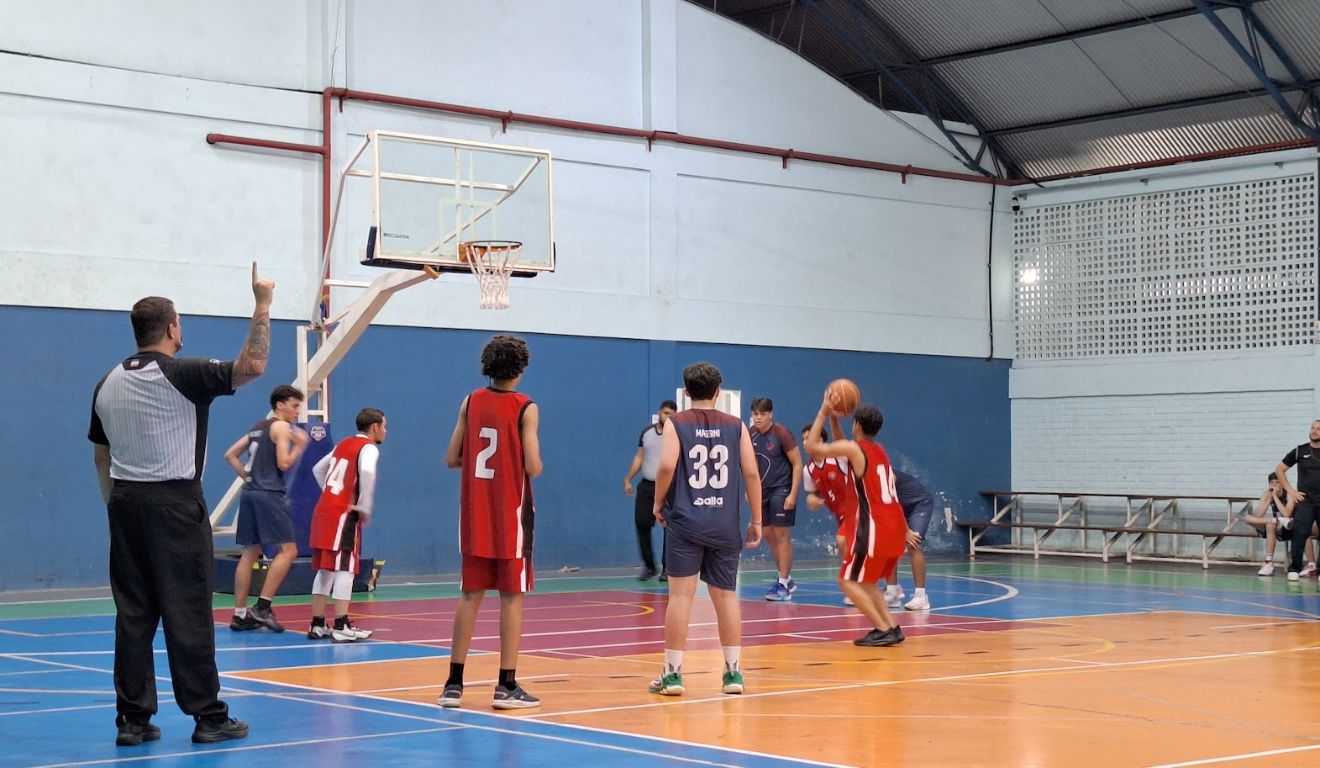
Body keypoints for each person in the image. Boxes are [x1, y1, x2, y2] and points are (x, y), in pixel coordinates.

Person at [89, 263, 270, 746]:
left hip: (125, 504)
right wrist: (262, 303)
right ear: (172, 329)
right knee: (187, 611)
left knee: (133, 615)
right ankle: (208, 716)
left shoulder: (106, 382)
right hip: (174, 503)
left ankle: (132, 719)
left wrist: (116, 507)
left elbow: (101, 455)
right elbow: (253, 367)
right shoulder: (184, 373)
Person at [439, 335, 543, 710]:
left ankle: (453, 684)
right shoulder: (525, 407)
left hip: (474, 516)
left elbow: (453, 457)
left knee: (469, 597)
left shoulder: (470, 401)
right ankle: (506, 685)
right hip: (510, 516)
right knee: (512, 599)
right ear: (520, 370)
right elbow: (533, 466)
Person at [650, 362, 762, 696]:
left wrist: (658, 503)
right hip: (725, 524)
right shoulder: (736, 425)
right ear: (718, 390)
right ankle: (733, 674)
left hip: (686, 522)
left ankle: (672, 675)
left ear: (686, 393)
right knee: (726, 597)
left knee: (680, 597)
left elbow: (668, 465)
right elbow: (752, 474)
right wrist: (757, 519)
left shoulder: (676, 423)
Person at [804, 397, 916, 647]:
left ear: (856, 425)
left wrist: (823, 410)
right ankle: (891, 628)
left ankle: (882, 628)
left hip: (875, 526)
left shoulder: (855, 450)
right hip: (893, 524)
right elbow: (843, 444)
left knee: (847, 580)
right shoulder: (877, 450)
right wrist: (834, 418)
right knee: (865, 581)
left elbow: (812, 446)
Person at [224, 385, 310, 633]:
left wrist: (249, 478)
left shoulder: (257, 428)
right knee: (288, 550)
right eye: (294, 406)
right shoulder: (281, 427)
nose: (297, 412)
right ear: (279, 405)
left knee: (250, 552)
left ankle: (240, 615)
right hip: (270, 493)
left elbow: (230, 455)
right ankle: (262, 607)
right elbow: (284, 463)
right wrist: (300, 446)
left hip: (250, 493)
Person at [307, 408, 387, 642]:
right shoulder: (368, 448)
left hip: (324, 509)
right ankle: (341, 625)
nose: (385, 431)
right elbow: (367, 472)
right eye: (384, 426)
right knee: (345, 566)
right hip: (343, 514)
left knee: (325, 568)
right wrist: (364, 505)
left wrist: (332, 493)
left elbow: (317, 469)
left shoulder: (343, 444)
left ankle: (317, 623)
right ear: (374, 427)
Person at [749, 397, 802, 601]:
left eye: (762, 414)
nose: (758, 417)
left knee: (781, 536)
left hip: (782, 489)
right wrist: (751, 489)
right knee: (769, 536)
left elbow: (797, 464)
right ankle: (786, 580)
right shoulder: (751, 433)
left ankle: (783, 585)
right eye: (755, 413)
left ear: (770, 414)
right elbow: (752, 466)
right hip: (763, 492)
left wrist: (793, 494)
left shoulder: (781, 433)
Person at [801, 422, 858, 607]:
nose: (804, 442)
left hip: (857, 508)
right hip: (840, 515)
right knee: (857, 548)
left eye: (808, 438)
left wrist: (833, 417)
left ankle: (855, 586)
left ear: (820, 440)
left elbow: (841, 440)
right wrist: (811, 499)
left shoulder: (837, 458)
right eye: (803, 439)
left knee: (842, 541)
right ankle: (887, 587)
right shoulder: (808, 470)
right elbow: (814, 493)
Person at [624, 400, 677, 580]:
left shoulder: (678, 435)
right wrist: (628, 478)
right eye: (665, 413)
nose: (667, 416)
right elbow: (640, 456)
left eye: (671, 414)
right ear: (659, 413)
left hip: (670, 486)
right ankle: (649, 566)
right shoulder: (646, 433)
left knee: (669, 527)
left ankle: (668, 568)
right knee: (642, 523)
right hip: (647, 485)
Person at [882, 470, 936, 611]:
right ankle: (892, 594)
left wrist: (906, 531)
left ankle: (921, 597)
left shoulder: (881, 472)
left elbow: (893, 503)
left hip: (919, 504)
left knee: (913, 543)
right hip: (899, 507)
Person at [1273, 421, 1320, 581]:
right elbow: (1279, 469)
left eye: (1319, 429)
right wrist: (1291, 491)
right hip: (1305, 501)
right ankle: (1295, 568)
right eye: (1313, 428)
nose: (1315, 431)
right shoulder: (1300, 450)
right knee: (1300, 534)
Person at [1244, 473, 1299, 577]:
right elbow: (1259, 515)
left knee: (1270, 526)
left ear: (1282, 484)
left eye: (1277, 482)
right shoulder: (1266, 493)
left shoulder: (1289, 494)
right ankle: (1274, 520)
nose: (1274, 485)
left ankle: (1268, 562)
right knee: (1248, 518)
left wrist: (1275, 497)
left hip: (1290, 527)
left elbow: (1287, 514)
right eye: (1271, 483)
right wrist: (1269, 498)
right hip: (1276, 525)